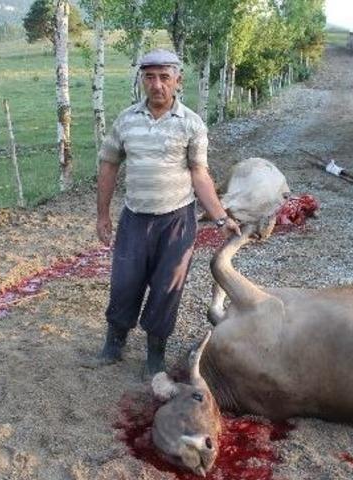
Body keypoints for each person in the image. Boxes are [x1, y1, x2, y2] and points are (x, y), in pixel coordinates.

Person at [94, 49, 240, 378]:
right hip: (135, 218)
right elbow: (108, 166)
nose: (156, 84)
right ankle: (112, 347)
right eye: (149, 77)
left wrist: (220, 217)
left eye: (164, 77)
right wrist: (103, 215)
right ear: (141, 80)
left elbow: (200, 175)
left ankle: (155, 357)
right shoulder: (126, 120)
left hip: (176, 221)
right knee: (124, 283)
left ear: (177, 80)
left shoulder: (191, 124)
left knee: (167, 287)